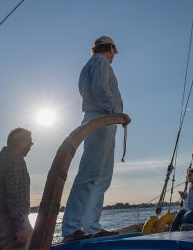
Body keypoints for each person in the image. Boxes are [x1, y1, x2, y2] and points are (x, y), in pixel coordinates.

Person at [62, 36, 131, 242]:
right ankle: (71, 228)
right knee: (90, 175)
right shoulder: (100, 62)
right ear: (110, 48)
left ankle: (91, 226)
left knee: (101, 178)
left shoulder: (90, 65)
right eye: (113, 52)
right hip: (102, 120)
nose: (113, 57)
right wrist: (115, 113)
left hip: (104, 121)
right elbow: (101, 89)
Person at [0, 128, 34, 250]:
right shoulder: (16, 159)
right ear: (21, 142)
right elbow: (16, 194)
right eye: (29, 142)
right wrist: (19, 227)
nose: (31, 146)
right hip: (9, 221)